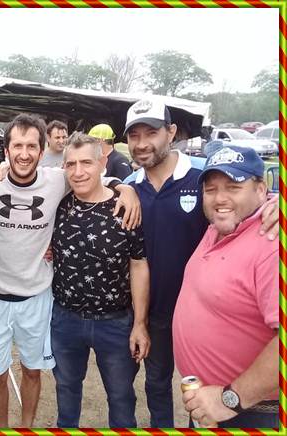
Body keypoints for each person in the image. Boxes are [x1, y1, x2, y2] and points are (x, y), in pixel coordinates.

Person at [0, 113, 141, 427]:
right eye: (17, 146)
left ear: (42, 150)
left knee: (33, 371)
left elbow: (93, 175)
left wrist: (125, 189)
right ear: (6, 151)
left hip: (37, 297)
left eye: (31, 146)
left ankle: (26, 427)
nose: (24, 153)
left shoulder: (57, 180)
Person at [122, 99, 279, 427]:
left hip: (249, 405)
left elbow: (241, 203)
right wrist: (119, 185)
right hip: (152, 312)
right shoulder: (132, 185)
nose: (142, 143)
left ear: (171, 132)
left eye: (151, 133)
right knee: (157, 385)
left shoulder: (200, 178)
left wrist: (277, 201)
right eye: (134, 136)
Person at [173, 146, 278, 428]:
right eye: (211, 189)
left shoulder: (272, 242)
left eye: (233, 187)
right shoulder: (220, 226)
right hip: (208, 400)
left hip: (251, 411)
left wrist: (231, 399)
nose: (219, 198)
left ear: (260, 190)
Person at [51, 132, 150, 427]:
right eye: (70, 164)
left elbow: (139, 265)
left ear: (102, 163)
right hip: (66, 320)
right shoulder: (59, 204)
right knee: (66, 390)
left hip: (115, 322)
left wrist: (140, 323)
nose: (78, 172)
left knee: (121, 397)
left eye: (86, 163)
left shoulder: (125, 207)